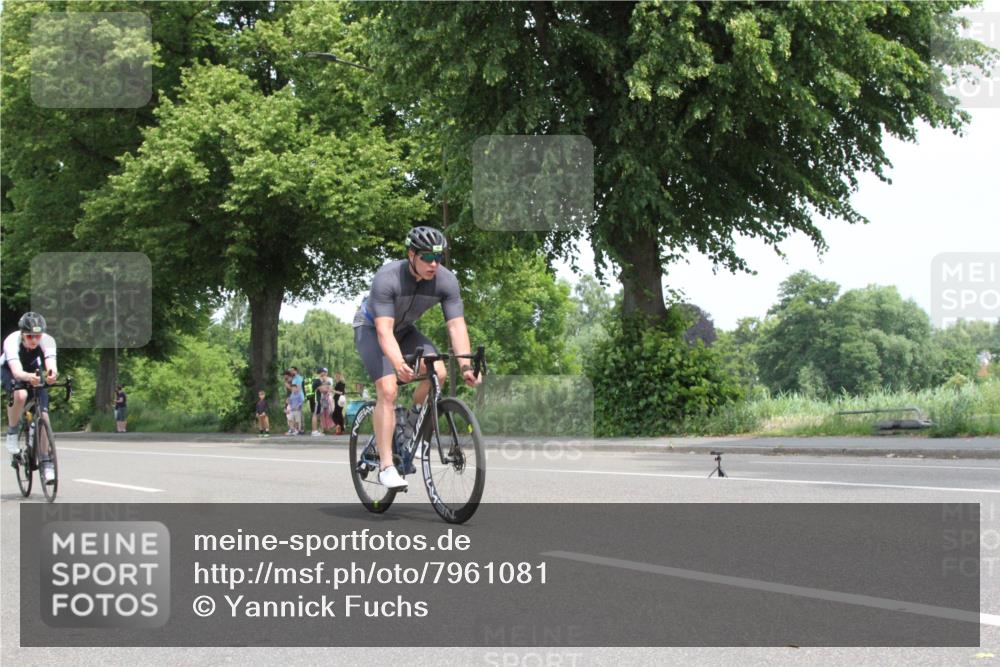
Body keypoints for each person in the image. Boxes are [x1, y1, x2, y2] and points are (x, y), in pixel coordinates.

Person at [352, 226, 481, 490]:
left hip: (406, 331)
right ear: (411, 254)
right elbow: (384, 331)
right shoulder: (387, 278)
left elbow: (456, 326)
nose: (434, 264)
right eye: (427, 257)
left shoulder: (446, 281)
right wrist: (398, 363)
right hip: (372, 330)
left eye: (438, 257)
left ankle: (411, 425)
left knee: (439, 373)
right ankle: (387, 467)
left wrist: (466, 365)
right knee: (387, 390)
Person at [2, 312, 59, 484]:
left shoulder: (48, 341)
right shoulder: (11, 341)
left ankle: (47, 463)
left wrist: (51, 375)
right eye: (30, 336)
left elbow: (51, 366)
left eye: (38, 336)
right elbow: (17, 372)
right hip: (10, 369)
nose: (34, 340)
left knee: (44, 416)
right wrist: (27, 378)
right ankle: (12, 433)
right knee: (21, 394)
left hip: (34, 369)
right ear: (22, 334)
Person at [310, 367, 334, 436]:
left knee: (316, 414)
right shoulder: (318, 381)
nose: (325, 374)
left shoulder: (316, 380)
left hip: (315, 399)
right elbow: (323, 390)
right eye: (324, 372)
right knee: (315, 414)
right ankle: (314, 431)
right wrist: (327, 387)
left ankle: (315, 430)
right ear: (321, 373)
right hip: (315, 399)